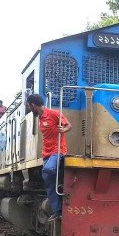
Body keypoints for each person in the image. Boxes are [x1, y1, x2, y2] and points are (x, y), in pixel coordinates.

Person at [26, 93, 72, 221]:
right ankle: (57, 211)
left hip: (58, 150)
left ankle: (61, 181)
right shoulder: (40, 118)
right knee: (47, 180)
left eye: (29, 106)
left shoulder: (54, 113)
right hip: (46, 153)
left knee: (48, 170)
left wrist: (63, 130)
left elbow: (68, 125)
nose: (30, 109)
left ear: (33, 105)